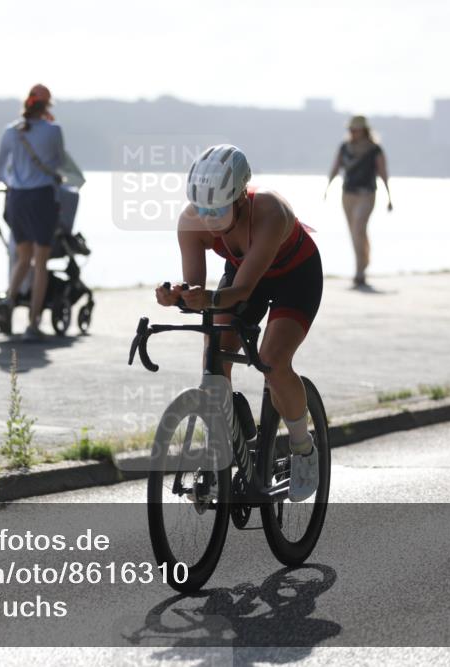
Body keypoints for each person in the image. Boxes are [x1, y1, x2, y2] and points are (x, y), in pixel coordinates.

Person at [155, 144, 324, 501]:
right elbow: (197, 290)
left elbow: (244, 288)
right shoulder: (191, 221)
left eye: (217, 210)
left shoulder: (270, 211)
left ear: (241, 197)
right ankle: (226, 448)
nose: (209, 219)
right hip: (244, 275)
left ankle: (304, 448)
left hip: (295, 277)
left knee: (273, 362)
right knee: (214, 351)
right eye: (202, 209)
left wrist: (210, 299)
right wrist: (177, 295)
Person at [0, 83, 66, 341]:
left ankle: (8, 301)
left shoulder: (11, 132)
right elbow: (58, 163)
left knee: (23, 259)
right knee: (41, 262)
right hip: (42, 199)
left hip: (17, 199)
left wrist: (15, 182)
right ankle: (33, 324)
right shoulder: (53, 130)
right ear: (47, 106)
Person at [324, 115, 392, 288]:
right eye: (350, 129)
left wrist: (389, 197)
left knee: (358, 228)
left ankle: (360, 271)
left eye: (355, 129)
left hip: (367, 195)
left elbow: (383, 173)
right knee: (355, 232)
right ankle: (362, 264)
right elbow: (335, 167)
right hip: (347, 194)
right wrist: (327, 188)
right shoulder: (345, 147)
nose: (352, 132)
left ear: (364, 130)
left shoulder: (375, 149)